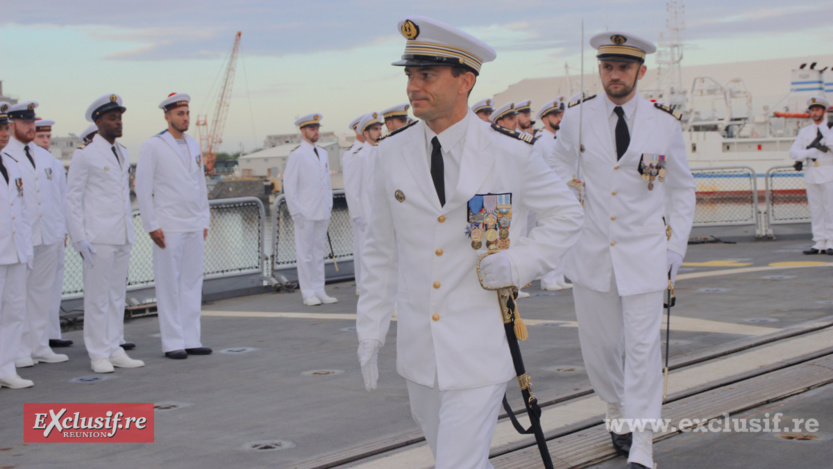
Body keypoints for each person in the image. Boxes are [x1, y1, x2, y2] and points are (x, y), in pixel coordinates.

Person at [356, 16, 583, 469]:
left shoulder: (511, 154)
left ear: (465, 81)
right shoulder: (390, 155)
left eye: (426, 75)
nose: (412, 87)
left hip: (480, 344)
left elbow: (567, 214)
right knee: (457, 458)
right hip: (420, 348)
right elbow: (379, 249)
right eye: (409, 75)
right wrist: (371, 326)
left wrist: (522, 262)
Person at [553, 32, 696, 469]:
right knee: (599, 350)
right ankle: (616, 411)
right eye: (608, 67)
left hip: (647, 255)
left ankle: (643, 443)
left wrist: (675, 248)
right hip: (592, 254)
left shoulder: (664, 125)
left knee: (642, 349)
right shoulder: (575, 119)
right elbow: (556, 174)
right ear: (600, 70)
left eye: (624, 67)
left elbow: (682, 191)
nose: (615, 75)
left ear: (640, 72)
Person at [66, 93, 144, 373]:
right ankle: (97, 353)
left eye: (120, 117)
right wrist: (79, 238)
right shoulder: (86, 156)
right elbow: (72, 199)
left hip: (121, 234)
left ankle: (114, 347)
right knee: (97, 298)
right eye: (112, 118)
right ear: (98, 122)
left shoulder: (122, 152)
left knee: (115, 297)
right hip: (97, 237)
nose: (118, 122)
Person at [135, 93, 212, 360]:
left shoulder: (193, 144)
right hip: (168, 225)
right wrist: (151, 224)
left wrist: (204, 219)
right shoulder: (153, 146)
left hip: (192, 222)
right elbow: (142, 188)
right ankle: (172, 342)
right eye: (180, 113)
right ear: (167, 116)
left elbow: (199, 186)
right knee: (169, 285)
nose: (185, 118)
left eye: (187, 113)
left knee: (192, 283)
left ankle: (192, 338)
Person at [4, 102, 69, 368]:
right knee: (16, 298)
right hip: (22, 238)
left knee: (43, 294)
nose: (31, 127)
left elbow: (59, 197)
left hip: (48, 234)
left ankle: (40, 345)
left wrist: (61, 230)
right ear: (11, 125)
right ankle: (18, 350)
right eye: (25, 123)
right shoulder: (6, 155)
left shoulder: (46, 158)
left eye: (32, 122)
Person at [283, 113, 338, 306]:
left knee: (318, 252)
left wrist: (329, 205)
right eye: (312, 128)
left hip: (322, 210)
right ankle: (308, 293)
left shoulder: (322, 153)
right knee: (305, 254)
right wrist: (296, 212)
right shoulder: (297, 154)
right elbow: (289, 186)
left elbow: (326, 183)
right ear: (303, 130)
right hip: (305, 212)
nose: (316, 132)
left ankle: (319, 289)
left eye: (317, 128)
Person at [0, 103, 36, 389]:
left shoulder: (12, 164)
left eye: (4, 128)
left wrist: (27, 250)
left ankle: (6, 366)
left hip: (14, 250)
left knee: (13, 310)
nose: (3, 134)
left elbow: (22, 212)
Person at [33, 118, 74, 349]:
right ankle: (35, 338)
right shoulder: (24, 161)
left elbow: (62, 200)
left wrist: (65, 230)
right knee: (35, 289)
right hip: (37, 235)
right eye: (41, 137)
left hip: (56, 233)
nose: (46, 141)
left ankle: (51, 332)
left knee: (54, 286)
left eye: (48, 137)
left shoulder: (55, 164)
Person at [531, 97, 570, 290]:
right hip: (548, 196)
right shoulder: (539, 141)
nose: (560, 118)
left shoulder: (563, 140)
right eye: (556, 115)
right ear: (545, 119)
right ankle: (548, 279)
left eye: (561, 114)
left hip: (564, 194)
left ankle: (558, 276)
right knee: (549, 238)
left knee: (563, 237)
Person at [789, 96, 833, 254]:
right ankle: (819, 242)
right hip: (811, 173)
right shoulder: (805, 132)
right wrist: (810, 152)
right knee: (816, 209)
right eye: (812, 110)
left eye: (818, 110)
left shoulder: (830, 129)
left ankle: (831, 242)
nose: (815, 113)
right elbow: (793, 152)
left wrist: (826, 135)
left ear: (824, 111)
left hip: (828, 173)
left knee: (830, 208)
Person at [343, 114, 369, 295]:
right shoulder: (353, 154)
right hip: (362, 210)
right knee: (362, 249)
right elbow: (351, 188)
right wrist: (357, 213)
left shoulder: (375, 150)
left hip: (373, 210)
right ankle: (362, 285)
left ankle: (366, 284)